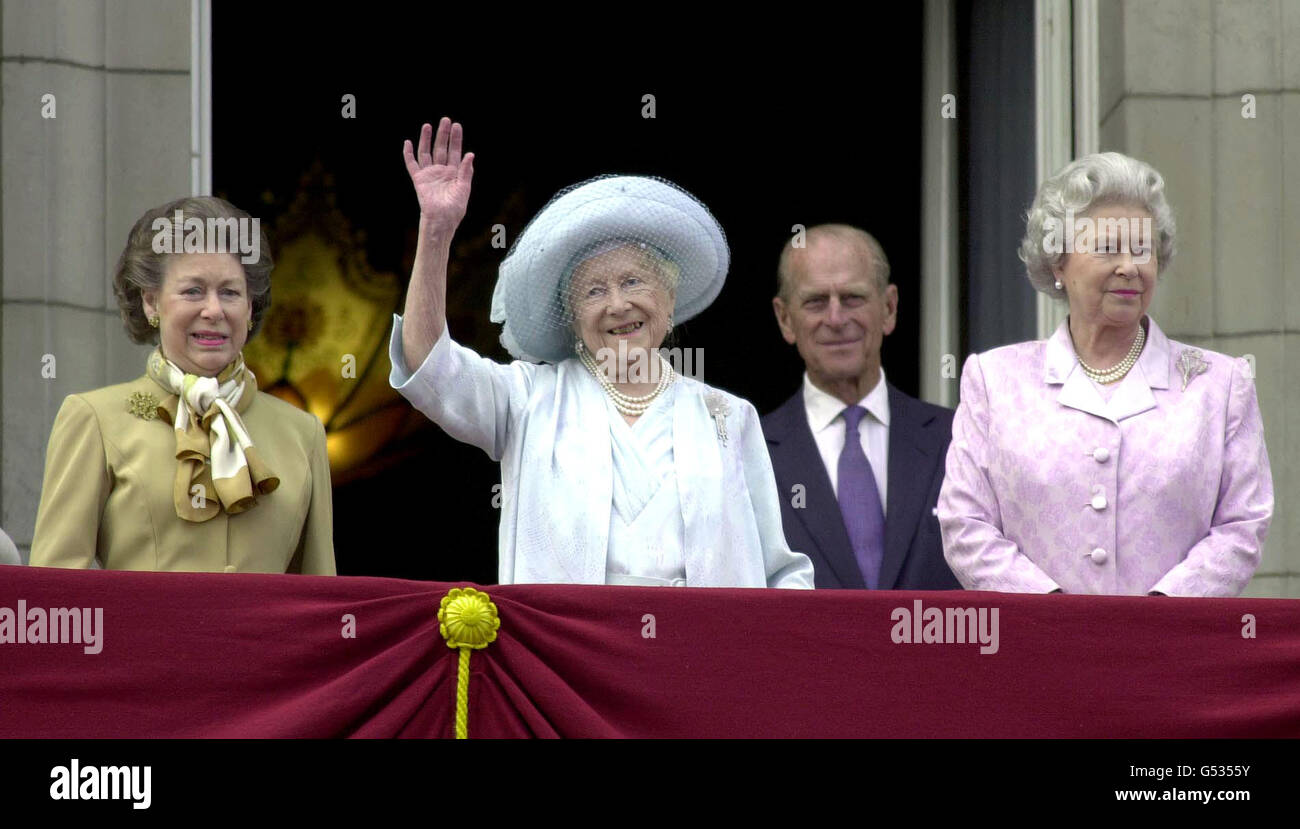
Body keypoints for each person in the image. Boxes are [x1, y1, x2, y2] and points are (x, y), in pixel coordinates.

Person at [388, 117, 812, 588]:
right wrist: (436, 232)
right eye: (593, 292)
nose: (616, 305)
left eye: (633, 282)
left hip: (697, 657)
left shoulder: (728, 417)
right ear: (571, 317)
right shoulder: (528, 400)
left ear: (669, 300)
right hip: (564, 655)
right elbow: (431, 367)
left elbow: (780, 576)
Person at [938, 152, 1272, 596]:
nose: (1129, 266)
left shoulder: (1220, 384)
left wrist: (1158, 614)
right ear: (1059, 262)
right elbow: (965, 523)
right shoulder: (995, 380)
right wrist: (1056, 614)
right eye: (1108, 247)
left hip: (1169, 651)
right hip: (1037, 649)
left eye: (1142, 249)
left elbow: (1241, 523)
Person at [30, 196, 336, 574]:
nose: (213, 310)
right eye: (193, 291)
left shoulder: (302, 433)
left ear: (250, 307)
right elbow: (56, 590)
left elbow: (320, 595)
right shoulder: (94, 419)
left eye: (230, 292)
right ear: (151, 303)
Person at [764, 225, 960, 590]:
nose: (836, 319)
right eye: (815, 302)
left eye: (853, 298)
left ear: (889, 308)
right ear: (785, 319)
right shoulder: (749, 452)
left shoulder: (959, 439)